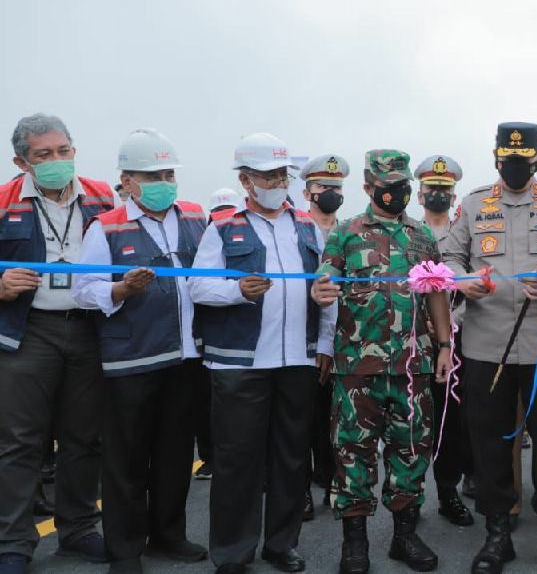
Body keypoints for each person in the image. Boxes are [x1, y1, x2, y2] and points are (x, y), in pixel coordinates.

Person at [442, 122, 537, 574]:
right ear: (495, 157)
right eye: (508, 159)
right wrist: (465, 281)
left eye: (524, 161)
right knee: (488, 441)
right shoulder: (472, 204)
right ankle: (497, 533)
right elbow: (450, 258)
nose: (516, 167)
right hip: (487, 343)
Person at [188, 132, 337, 574]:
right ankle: (233, 552)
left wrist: (325, 343)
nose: (275, 182)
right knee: (238, 460)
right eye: (265, 176)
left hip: (297, 361)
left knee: (292, 457)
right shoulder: (222, 229)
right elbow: (197, 285)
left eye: (280, 175)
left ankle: (281, 544)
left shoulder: (308, 228)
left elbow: (325, 289)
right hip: (240, 362)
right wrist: (237, 290)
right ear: (246, 180)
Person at [73, 128, 209, 573]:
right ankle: (125, 549)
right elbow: (82, 290)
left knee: (174, 455)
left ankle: (168, 536)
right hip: (131, 360)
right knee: (126, 460)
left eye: (168, 173)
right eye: (151, 175)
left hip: (185, 357)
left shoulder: (194, 217)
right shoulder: (106, 227)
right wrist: (119, 290)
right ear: (127, 181)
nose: (163, 182)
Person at [313, 150, 453, 574]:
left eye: (403, 185)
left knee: (410, 453)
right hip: (357, 367)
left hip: (413, 366)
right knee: (352, 455)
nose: (398, 192)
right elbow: (323, 283)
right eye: (388, 186)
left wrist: (445, 345)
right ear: (370, 187)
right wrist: (319, 292)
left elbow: (436, 292)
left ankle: (404, 536)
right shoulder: (345, 233)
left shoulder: (422, 236)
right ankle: (354, 543)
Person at [0, 113, 114, 572]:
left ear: (74, 148)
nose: (56, 161)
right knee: (19, 441)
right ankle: (13, 542)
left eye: (63, 151)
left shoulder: (103, 196)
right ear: (21, 161)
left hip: (88, 328)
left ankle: (79, 529)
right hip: (27, 332)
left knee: (83, 438)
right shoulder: (5, 200)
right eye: (43, 155)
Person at [414, 153, 475, 528]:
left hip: (459, 337)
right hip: (414, 342)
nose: (438, 194)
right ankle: (410, 496)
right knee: (413, 422)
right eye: (431, 189)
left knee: (452, 421)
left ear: (454, 196)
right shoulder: (409, 233)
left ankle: (448, 491)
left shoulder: (462, 233)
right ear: (419, 194)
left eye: (445, 190)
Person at [298, 153, 350, 519]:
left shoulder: (348, 234)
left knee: (338, 420)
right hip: (300, 342)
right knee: (299, 421)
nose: (330, 193)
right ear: (307, 193)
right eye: (323, 187)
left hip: (342, 343)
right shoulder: (295, 231)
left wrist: (330, 345)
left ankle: (335, 483)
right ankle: (298, 491)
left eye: (336, 188)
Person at [191, 188, 246, 485]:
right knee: (209, 405)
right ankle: (211, 458)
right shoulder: (210, 239)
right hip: (210, 337)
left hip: (242, 337)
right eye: (219, 211)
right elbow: (198, 287)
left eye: (229, 209)